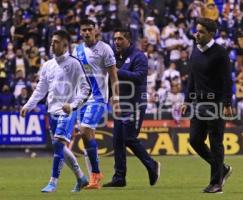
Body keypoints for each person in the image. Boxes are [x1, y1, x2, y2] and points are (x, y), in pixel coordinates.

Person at [20, 30, 90, 192]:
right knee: (60, 148)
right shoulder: (47, 65)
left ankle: (53, 182)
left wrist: (73, 105)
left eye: (56, 42)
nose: (52, 44)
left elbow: (85, 88)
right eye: (52, 41)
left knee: (59, 144)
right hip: (52, 112)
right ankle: (81, 178)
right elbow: (40, 89)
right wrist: (28, 105)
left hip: (67, 112)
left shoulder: (74, 63)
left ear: (65, 45)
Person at [181, 18, 233, 194]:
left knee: (215, 142)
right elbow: (192, 78)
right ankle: (222, 169)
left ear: (211, 34)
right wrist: (187, 101)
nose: (197, 34)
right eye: (197, 31)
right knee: (195, 140)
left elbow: (227, 80)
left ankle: (216, 183)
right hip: (198, 103)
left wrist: (227, 103)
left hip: (216, 103)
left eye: (201, 31)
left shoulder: (220, 53)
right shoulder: (195, 51)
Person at [103, 28, 160, 187]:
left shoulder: (139, 56)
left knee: (128, 138)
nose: (116, 42)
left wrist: (117, 72)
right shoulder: (114, 58)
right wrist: (109, 98)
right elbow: (110, 81)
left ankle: (152, 164)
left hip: (135, 103)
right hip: (120, 104)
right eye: (115, 39)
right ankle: (119, 178)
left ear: (128, 40)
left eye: (120, 39)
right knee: (117, 140)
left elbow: (140, 77)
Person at [72, 19, 120, 189]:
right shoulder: (76, 50)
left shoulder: (104, 49)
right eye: (83, 30)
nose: (86, 32)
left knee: (85, 131)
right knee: (87, 137)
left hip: (99, 98)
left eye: (89, 29)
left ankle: (96, 173)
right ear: (80, 32)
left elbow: (113, 75)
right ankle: (95, 176)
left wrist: (116, 98)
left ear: (95, 30)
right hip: (82, 98)